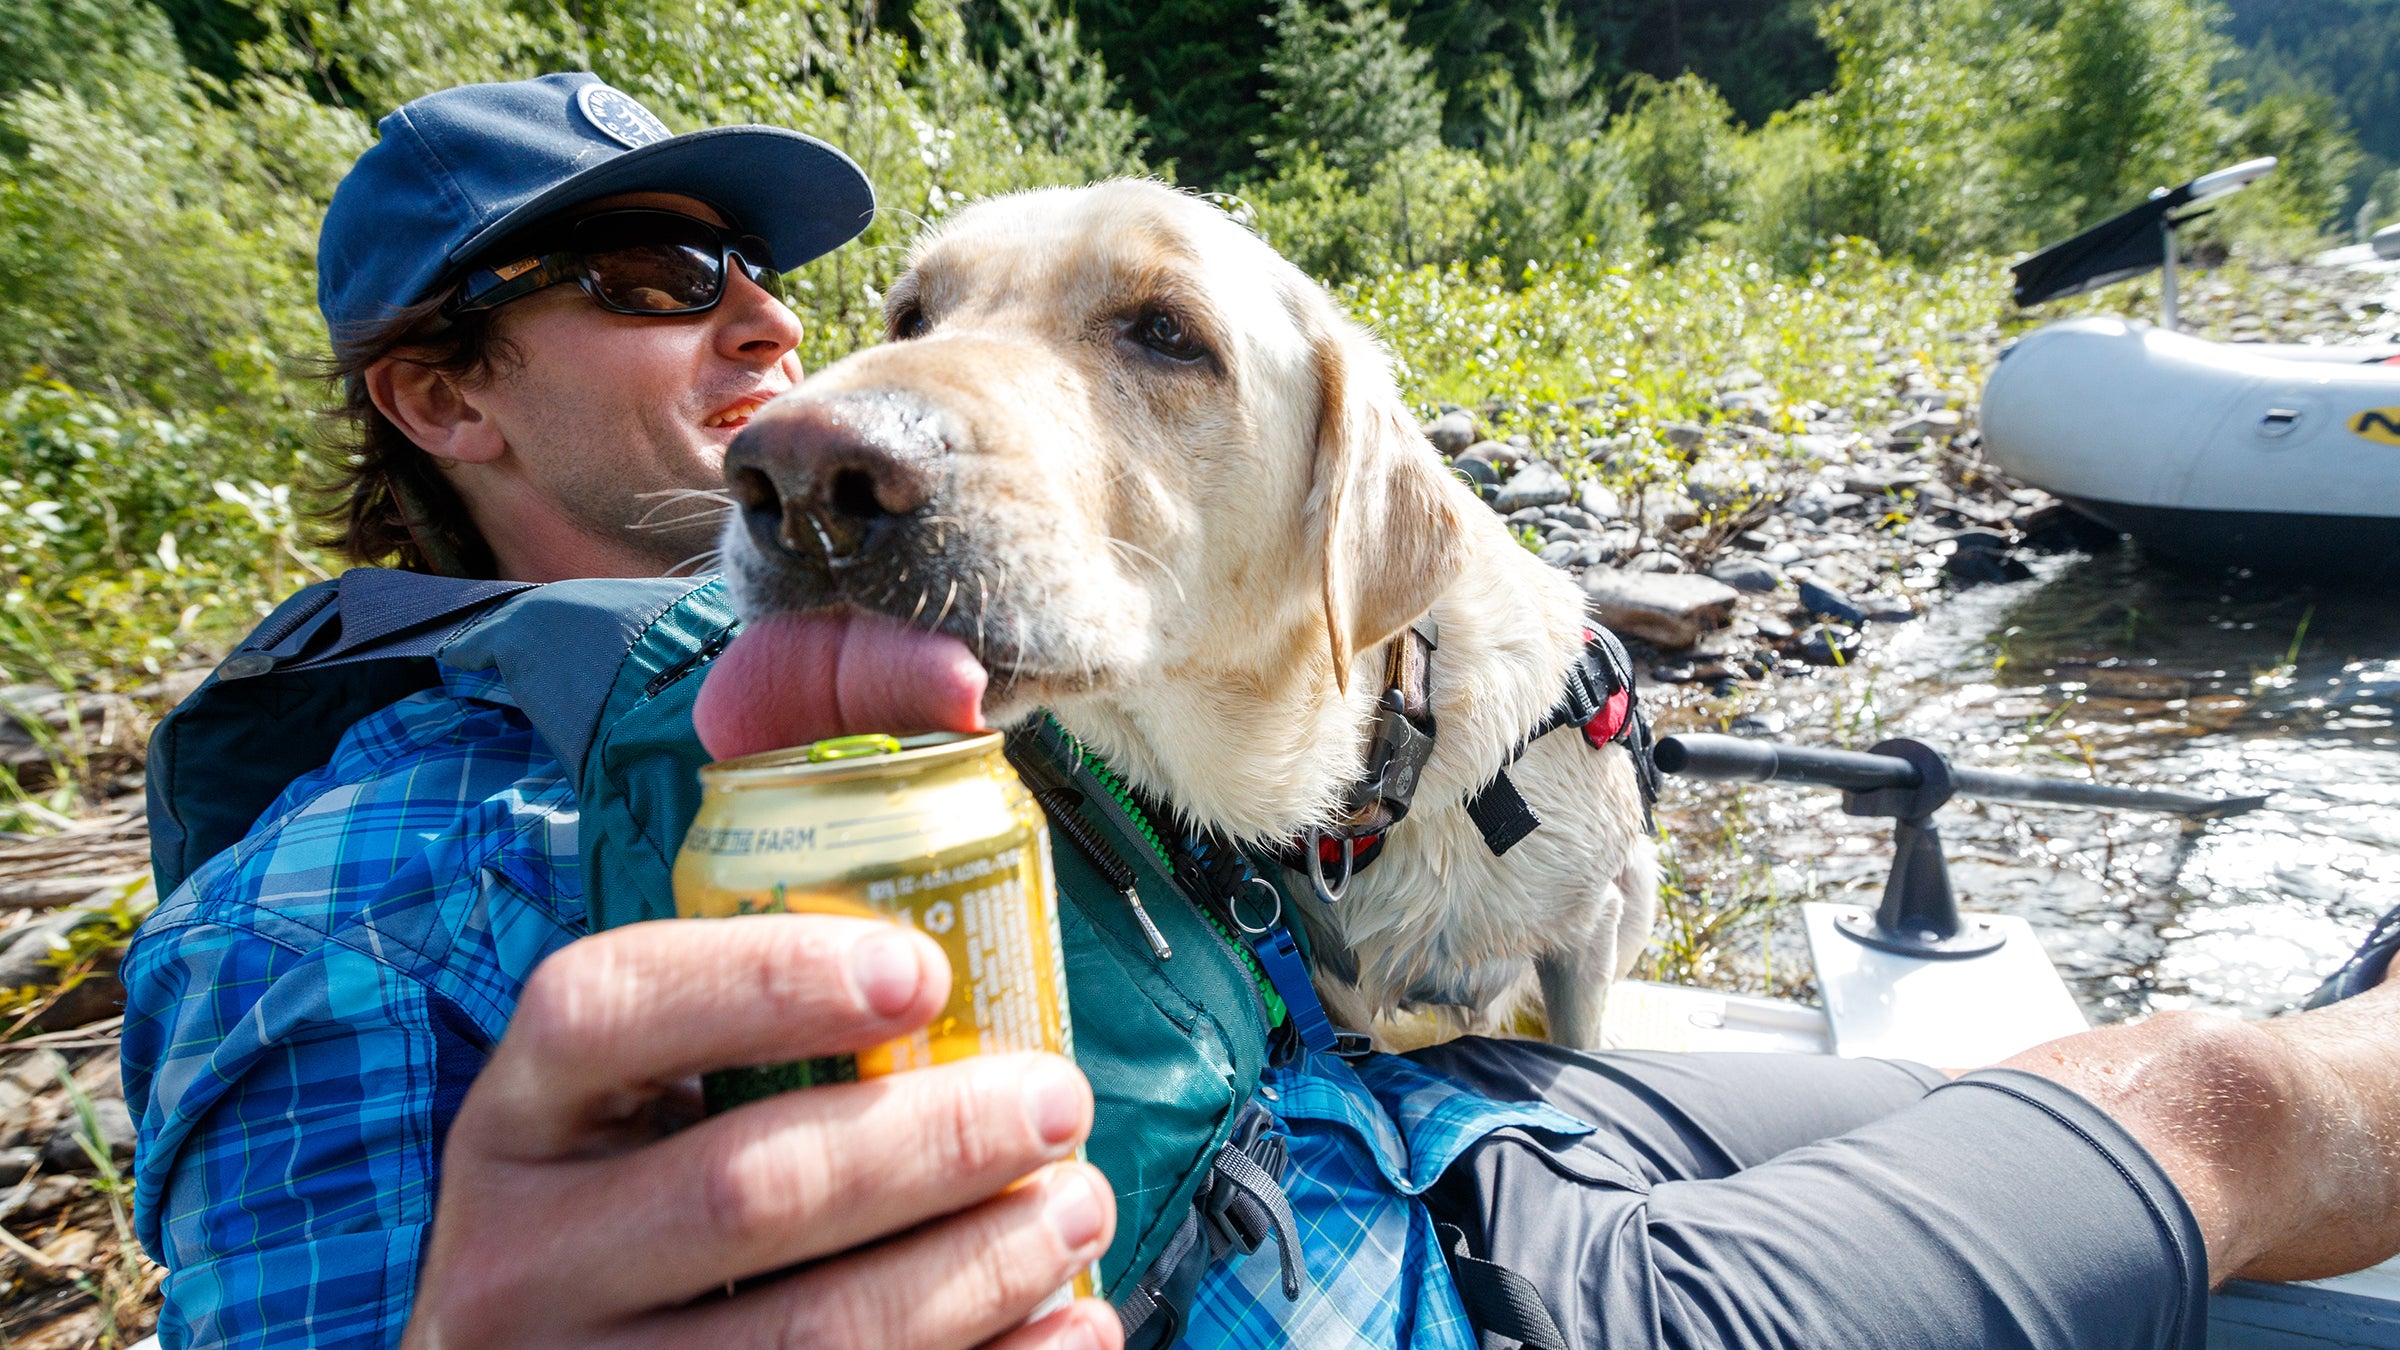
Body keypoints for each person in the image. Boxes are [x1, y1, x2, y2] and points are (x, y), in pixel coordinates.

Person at [122, 73, 2400, 1350]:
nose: (786, 362)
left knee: (2005, 1096)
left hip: (1419, 1134)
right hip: (1438, 1305)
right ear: (438, 398)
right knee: (2214, 1102)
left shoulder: (969, 703)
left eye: (775, 280)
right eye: (641, 280)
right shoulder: (339, 903)